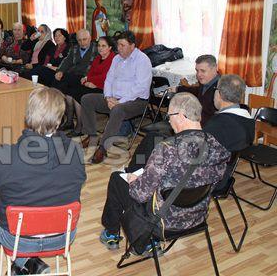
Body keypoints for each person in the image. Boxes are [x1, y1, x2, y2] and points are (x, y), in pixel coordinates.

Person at [98, 93, 230, 253]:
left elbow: (139, 195)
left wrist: (134, 180)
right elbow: (213, 183)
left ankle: (115, 234)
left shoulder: (167, 149)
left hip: (162, 222)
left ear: (181, 116)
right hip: (197, 216)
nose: (169, 121)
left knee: (117, 179)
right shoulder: (217, 146)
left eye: (170, 116)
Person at [0, 86, 86, 275]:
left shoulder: (3, 157)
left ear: (28, 115)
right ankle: (29, 263)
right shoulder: (76, 152)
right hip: (62, 237)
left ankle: (25, 261)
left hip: (18, 239)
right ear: (60, 118)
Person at [127, 74, 255, 192]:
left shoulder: (218, 125)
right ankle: (136, 171)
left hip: (201, 179)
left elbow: (191, 152)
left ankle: (133, 173)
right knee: (156, 139)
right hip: (220, 173)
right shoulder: (248, 120)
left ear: (219, 93)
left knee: (153, 140)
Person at [81, 31, 152, 163]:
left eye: (122, 45)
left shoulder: (142, 60)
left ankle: (103, 148)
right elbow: (109, 80)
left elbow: (140, 87)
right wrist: (108, 97)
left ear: (132, 46)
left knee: (117, 109)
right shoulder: (117, 59)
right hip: (113, 99)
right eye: (118, 45)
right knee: (87, 99)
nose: (119, 48)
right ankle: (92, 136)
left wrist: (120, 101)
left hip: (136, 101)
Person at [64, 36, 116, 136]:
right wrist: (86, 79)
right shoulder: (98, 58)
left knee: (77, 95)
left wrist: (90, 81)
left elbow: (106, 76)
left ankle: (80, 127)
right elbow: (90, 73)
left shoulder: (113, 59)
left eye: (103, 46)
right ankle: (69, 122)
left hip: (104, 88)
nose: (100, 48)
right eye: (99, 46)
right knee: (70, 93)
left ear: (110, 47)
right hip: (93, 85)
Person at [54, 29, 97, 128]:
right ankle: (65, 121)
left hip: (85, 77)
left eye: (85, 39)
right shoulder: (74, 48)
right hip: (73, 75)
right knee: (58, 85)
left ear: (90, 38)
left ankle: (75, 124)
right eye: (79, 40)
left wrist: (88, 78)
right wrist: (60, 70)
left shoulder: (96, 48)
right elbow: (67, 61)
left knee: (67, 90)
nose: (82, 42)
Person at [174, 54, 220, 126]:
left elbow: (215, 118)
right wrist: (178, 89)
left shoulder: (220, 90)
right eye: (197, 71)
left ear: (214, 69)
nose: (199, 74)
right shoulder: (206, 81)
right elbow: (197, 91)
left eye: (203, 71)